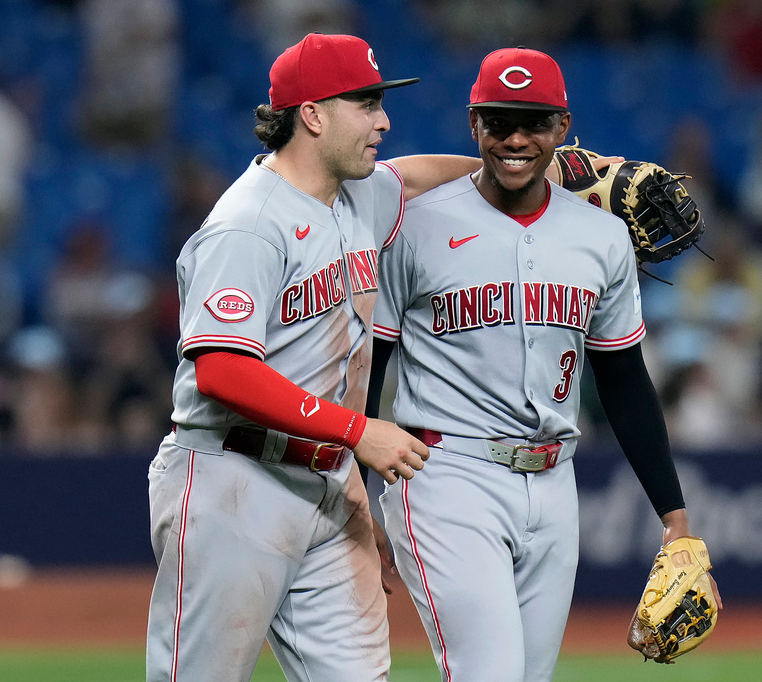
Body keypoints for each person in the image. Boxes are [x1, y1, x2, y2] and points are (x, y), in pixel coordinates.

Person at [368, 47, 722, 682]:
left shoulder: (602, 236)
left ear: (562, 128)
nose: (515, 138)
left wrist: (676, 519)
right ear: (473, 123)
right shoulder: (417, 223)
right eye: (499, 121)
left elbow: (623, 378)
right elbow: (373, 364)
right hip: (447, 474)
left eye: (533, 121)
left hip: (555, 484)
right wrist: (357, 491)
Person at [145, 33, 485, 682]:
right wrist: (358, 431)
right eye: (366, 104)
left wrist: (556, 173)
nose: (383, 120)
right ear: (312, 114)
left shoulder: (357, 195)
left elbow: (412, 176)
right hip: (233, 479)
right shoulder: (247, 224)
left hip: (326, 481)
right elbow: (223, 371)